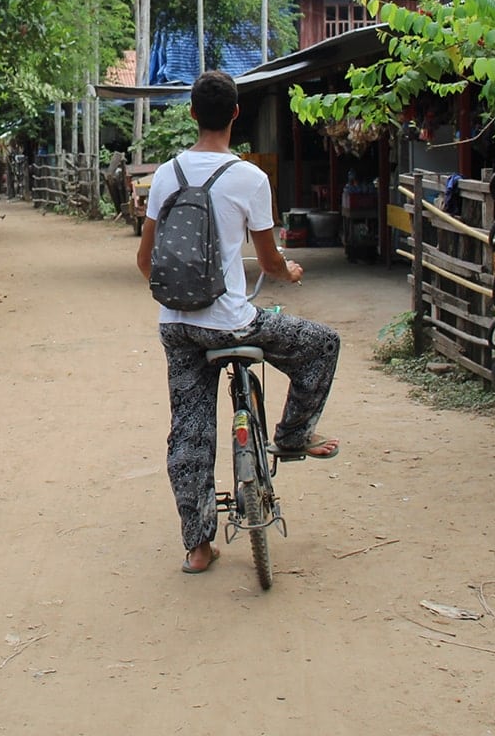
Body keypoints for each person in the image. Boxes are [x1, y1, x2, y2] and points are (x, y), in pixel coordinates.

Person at [134, 70, 341, 575]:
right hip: (233, 323)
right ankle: (292, 436)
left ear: (190, 114)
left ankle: (199, 547)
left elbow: (146, 260)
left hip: (178, 326)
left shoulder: (166, 174)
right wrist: (288, 271)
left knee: (190, 431)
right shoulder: (250, 178)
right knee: (322, 344)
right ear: (235, 114)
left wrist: (180, 300)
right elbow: (269, 263)